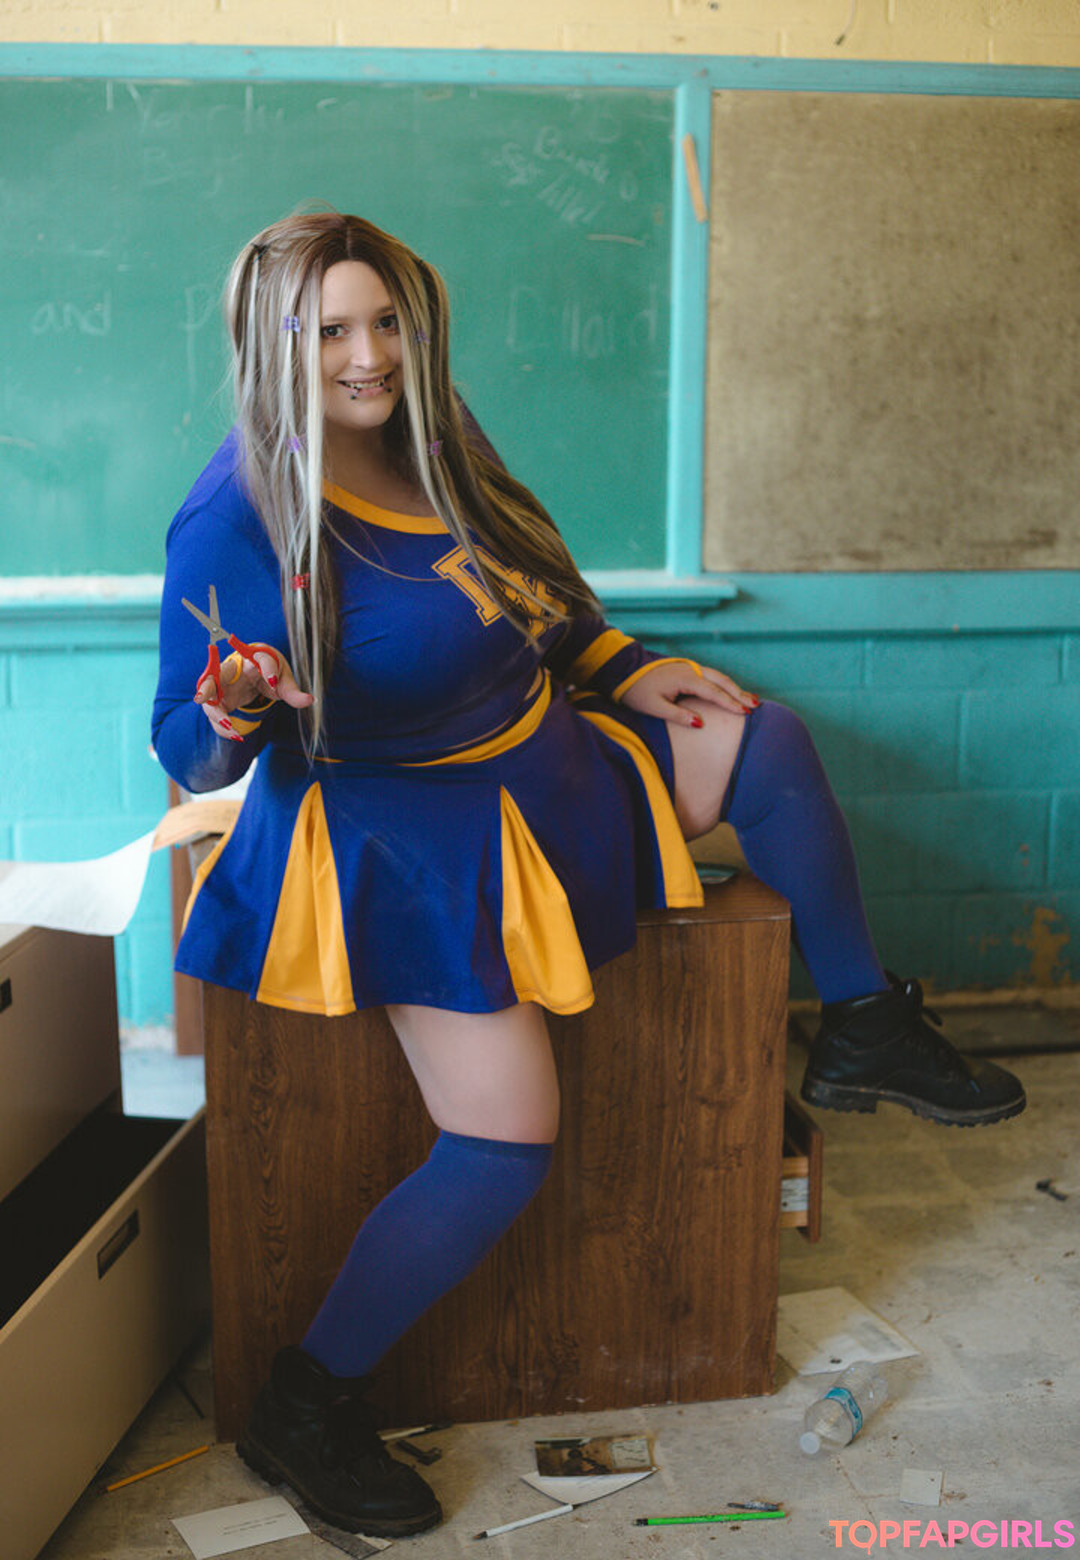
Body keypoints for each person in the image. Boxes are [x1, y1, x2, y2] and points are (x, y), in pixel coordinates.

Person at [152, 211, 1025, 1538]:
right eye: (330, 331)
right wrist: (237, 706)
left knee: (762, 740)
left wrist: (628, 667)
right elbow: (185, 741)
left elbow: (532, 596)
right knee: (505, 1142)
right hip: (410, 841)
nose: (368, 356)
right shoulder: (236, 512)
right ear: (272, 343)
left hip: (544, 768)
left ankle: (862, 1025)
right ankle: (306, 1401)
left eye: (385, 322)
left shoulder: (438, 429)